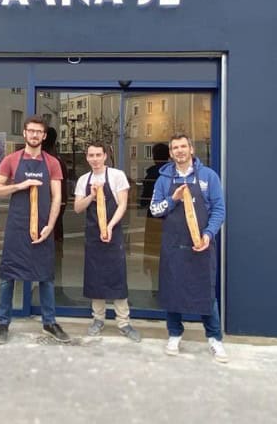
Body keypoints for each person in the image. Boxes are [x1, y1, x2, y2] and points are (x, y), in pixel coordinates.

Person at [0, 115, 70, 344]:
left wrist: (50, 226)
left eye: (39, 132)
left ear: (44, 135)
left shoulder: (52, 163)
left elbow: (57, 198)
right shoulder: (11, 160)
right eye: (31, 131)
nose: (34, 135)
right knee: (8, 277)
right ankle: (3, 323)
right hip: (17, 227)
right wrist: (19, 185)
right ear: (24, 133)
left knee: (46, 277)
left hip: (43, 227)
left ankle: (49, 322)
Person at [149, 134, 228, 362]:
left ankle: (214, 339)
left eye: (184, 146)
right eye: (175, 148)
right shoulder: (164, 178)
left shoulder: (208, 177)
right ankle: (174, 334)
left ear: (191, 149)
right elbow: (155, 209)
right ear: (171, 153)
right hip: (173, 246)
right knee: (173, 291)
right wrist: (172, 199)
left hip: (201, 246)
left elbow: (218, 209)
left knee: (205, 293)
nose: (180, 151)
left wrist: (208, 234)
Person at [73, 141, 141, 342]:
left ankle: (124, 322)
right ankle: (98, 319)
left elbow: (122, 205)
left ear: (105, 156)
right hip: (93, 235)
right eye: (91, 155)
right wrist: (91, 196)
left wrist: (110, 226)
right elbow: (77, 207)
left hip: (114, 233)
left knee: (117, 276)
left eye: (98, 155)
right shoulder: (83, 180)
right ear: (87, 157)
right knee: (95, 276)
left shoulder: (117, 176)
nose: (94, 159)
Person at [139, 143, 169, 296]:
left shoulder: (151, 175)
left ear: (154, 156)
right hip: (170, 221)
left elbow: (144, 201)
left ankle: (156, 290)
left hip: (154, 221)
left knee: (153, 254)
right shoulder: (173, 173)